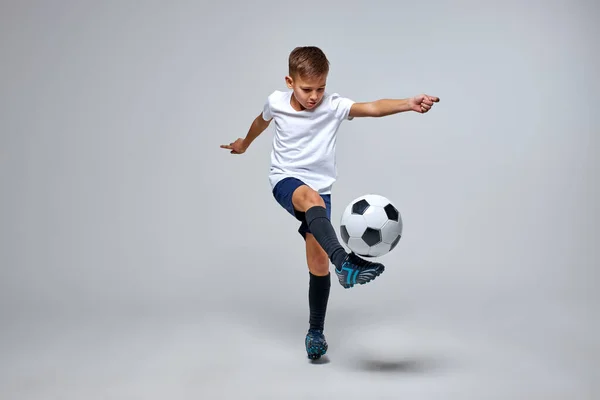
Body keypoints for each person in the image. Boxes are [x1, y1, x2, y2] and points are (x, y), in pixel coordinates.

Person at [220, 46, 439, 360]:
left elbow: (373, 108)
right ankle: (346, 263)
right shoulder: (276, 103)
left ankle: (315, 333)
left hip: (321, 193)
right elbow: (260, 122)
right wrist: (243, 144)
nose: (314, 96)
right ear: (289, 82)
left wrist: (408, 103)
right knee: (310, 202)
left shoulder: (333, 106)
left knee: (318, 263)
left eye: (320, 88)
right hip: (286, 180)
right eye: (307, 89)